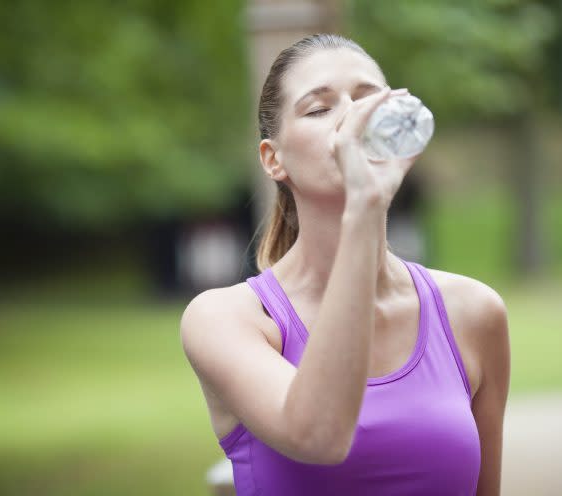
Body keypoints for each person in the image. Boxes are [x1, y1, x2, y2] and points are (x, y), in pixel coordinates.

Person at [180, 33, 510, 496]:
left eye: (369, 102)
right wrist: (364, 208)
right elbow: (318, 435)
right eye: (319, 109)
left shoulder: (474, 312)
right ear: (274, 160)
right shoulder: (226, 319)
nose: (353, 120)